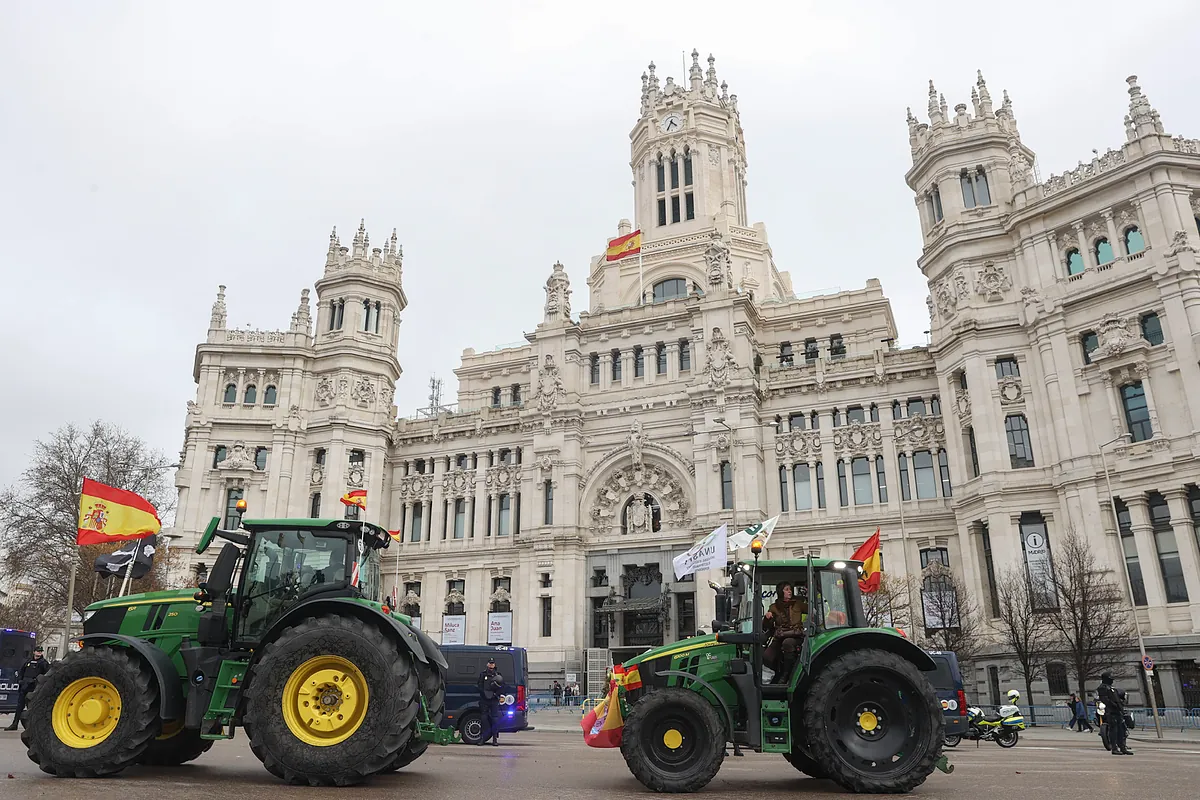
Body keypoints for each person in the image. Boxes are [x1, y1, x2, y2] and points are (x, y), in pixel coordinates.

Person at [763, 581, 808, 684]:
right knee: (767, 656)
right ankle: (776, 674)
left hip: (795, 635)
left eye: (790, 589)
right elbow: (767, 626)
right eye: (787, 590)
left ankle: (786, 674)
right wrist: (767, 618)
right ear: (780, 591)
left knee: (787, 643)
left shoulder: (798, 604)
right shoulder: (773, 607)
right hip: (780, 636)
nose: (790, 591)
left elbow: (812, 609)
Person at [5, 645, 49, 731]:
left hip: (34, 689)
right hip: (24, 687)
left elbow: (46, 675)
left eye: (40, 651)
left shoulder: (43, 663)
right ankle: (14, 724)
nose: (39, 653)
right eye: (37, 651)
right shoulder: (28, 661)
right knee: (19, 707)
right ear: (34, 652)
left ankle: (31, 727)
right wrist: (20, 680)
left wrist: (36, 682)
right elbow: (21, 672)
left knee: (31, 709)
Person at [1097, 672, 1132, 755]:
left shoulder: (1111, 688)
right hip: (1111, 711)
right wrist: (1114, 705)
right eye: (1110, 679)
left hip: (1117, 711)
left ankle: (1122, 747)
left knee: (1121, 730)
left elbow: (1117, 698)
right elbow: (1105, 699)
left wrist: (1120, 705)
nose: (1112, 681)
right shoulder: (1103, 688)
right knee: (1114, 730)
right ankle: (1114, 748)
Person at [477, 657, 504, 746]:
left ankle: (495, 739)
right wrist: (484, 694)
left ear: (494, 665)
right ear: (487, 664)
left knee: (494, 719)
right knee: (483, 719)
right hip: (485, 700)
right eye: (490, 663)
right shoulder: (483, 674)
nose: (491, 665)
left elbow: (502, 687)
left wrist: (495, 695)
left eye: (492, 663)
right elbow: (479, 686)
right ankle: (482, 738)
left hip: (494, 700)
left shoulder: (498, 675)